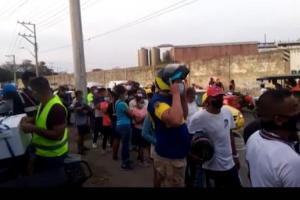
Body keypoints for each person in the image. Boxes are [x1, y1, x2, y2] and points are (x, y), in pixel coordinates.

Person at [188, 86, 241, 188]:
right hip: (212, 167)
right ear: (208, 99)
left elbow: (230, 135)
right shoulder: (198, 118)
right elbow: (190, 141)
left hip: (230, 164)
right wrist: (197, 158)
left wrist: (236, 156)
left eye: (221, 97)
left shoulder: (227, 112)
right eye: (216, 97)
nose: (219, 99)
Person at [246, 89, 300, 187]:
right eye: (295, 109)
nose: (298, 112)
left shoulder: (253, 138)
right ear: (278, 120)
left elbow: (250, 173)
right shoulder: (291, 162)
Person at [148, 64, 190, 187]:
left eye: (181, 81)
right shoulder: (157, 101)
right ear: (166, 82)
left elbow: (184, 115)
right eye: (177, 81)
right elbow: (176, 120)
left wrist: (181, 96)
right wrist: (177, 95)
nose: (180, 83)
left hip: (177, 156)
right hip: (169, 159)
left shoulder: (172, 99)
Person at [20, 77, 68, 174]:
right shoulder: (44, 102)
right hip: (42, 154)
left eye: (31, 91)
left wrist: (33, 128)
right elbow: (43, 117)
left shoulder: (57, 108)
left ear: (36, 92)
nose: (31, 94)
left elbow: (57, 136)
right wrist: (30, 120)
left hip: (54, 157)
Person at [113, 84, 134, 170]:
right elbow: (131, 114)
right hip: (125, 125)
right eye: (125, 92)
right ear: (121, 93)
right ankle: (125, 162)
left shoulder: (117, 102)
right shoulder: (123, 103)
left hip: (119, 125)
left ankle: (126, 159)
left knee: (124, 144)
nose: (126, 94)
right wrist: (132, 111)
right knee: (125, 145)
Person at [70, 90, 91, 155]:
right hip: (79, 121)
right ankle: (79, 149)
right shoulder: (75, 101)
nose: (81, 96)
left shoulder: (83, 100)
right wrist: (78, 109)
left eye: (81, 94)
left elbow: (86, 107)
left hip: (84, 120)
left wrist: (87, 110)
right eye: (80, 95)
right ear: (77, 95)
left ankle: (82, 146)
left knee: (83, 135)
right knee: (80, 135)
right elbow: (71, 108)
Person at [131, 94, 149, 166]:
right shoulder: (134, 110)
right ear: (137, 102)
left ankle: (140, 158)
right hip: (138, 130)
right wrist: (145, 118)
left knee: (142, 146)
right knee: (141, 146)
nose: (142, 104)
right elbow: (137, 121)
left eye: (143, 102)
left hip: (144, 129)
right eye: (140, 102)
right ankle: (142, 161)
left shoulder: (145, 109)